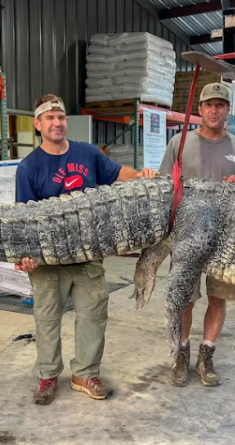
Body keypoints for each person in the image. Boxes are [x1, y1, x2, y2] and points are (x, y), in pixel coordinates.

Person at [15, 94, 158, 406]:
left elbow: (121, 174)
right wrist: (24, 255)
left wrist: (141, 174)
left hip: (87, 255)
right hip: (48, 260)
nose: (57, 122)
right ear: (38, 124)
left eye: (61, 117)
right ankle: (47, 375)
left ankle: (85, 373)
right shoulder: (29, 168)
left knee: (93, 314)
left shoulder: (88, 153)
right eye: (50, 118)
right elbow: (23, 218)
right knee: (47, 318)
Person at [159, 82, 235, 388]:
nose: (214, 110)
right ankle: (181, 354)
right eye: (208, 105)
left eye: (220, 104)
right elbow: (164, 188)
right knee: (184, 300)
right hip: (186, 236)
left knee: (219, 299)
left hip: (227, 241)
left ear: (228, 109)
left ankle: (207, 355)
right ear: (200, 109)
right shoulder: (180, 143)